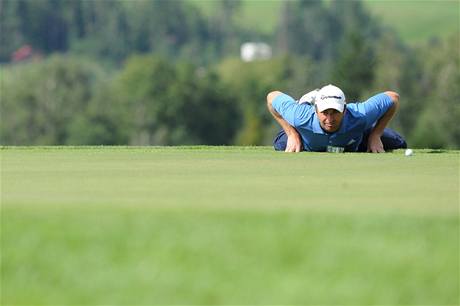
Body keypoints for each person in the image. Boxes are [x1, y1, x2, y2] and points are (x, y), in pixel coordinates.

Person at [267, 84, 407, 153]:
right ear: (315, 110)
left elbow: (393, 98)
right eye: (324, 112)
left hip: (356, 138)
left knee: (398, 143)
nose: (329, 118)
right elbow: (272, 97)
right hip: (302, 137)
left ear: (344, 110)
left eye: (335, 112)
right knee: (280, 146)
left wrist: (375, 135)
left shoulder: (360, 115)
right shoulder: (300, 116)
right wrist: (291, 134)